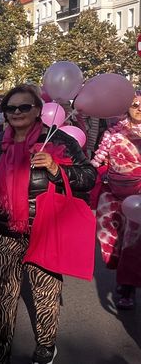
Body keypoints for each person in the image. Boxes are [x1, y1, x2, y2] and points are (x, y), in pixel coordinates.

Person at [0, 84, 96, 364]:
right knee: (3, 295)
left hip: (45, 229)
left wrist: (57, 168)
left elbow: (89, 176)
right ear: (4, 113)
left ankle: (45, 345)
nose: (17, 112)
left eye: (24, 107)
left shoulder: (56, 140)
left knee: (45, 293)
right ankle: (0, 349)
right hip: (4, 229)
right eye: (10, 108)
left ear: (37, 110)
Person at [91, 91, 141, 309]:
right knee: (114, 243)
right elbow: (98, 160)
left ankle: (127, 287)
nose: (139, 108)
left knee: (133, 244)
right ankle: (124, 279)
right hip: (113, 195)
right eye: (135, 104)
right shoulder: (114, 132)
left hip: (138, 199)